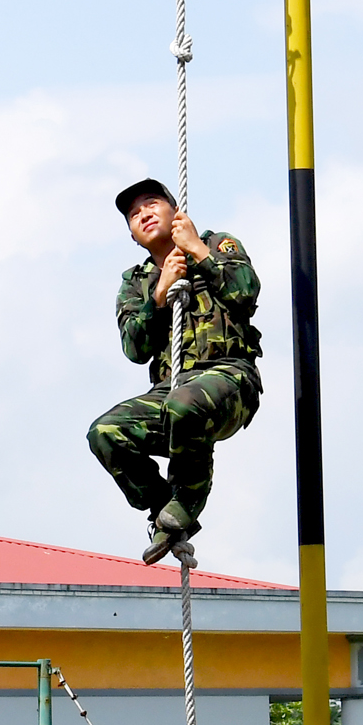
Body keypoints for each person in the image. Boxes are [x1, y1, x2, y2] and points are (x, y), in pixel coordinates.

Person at [87, 177, 262, 565]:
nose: (144, 214)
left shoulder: (217, 244)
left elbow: (245, 293)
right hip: (171, 390)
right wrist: (159, 296)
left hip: (229, 379)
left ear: (175, 212)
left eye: (152, 203)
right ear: (132, 236)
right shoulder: (135, 283)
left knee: (184, 404)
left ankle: (188, 498)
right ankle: (165, 509)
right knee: (105, 433)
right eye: (134, 214)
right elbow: (135, 349)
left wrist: (197, 250)